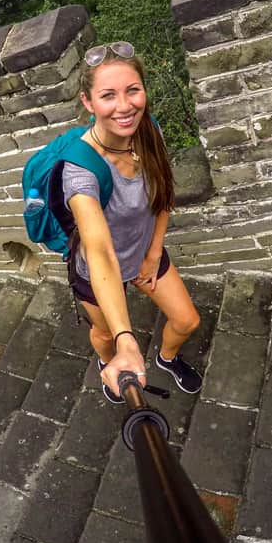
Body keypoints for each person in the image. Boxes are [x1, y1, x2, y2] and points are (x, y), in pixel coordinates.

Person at [63, 41, 203, 403]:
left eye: (133, 90)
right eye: (108, 95)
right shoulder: (80, 170)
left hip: (144, 253)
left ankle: (166, 358)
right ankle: (111, 366)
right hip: (97, 271)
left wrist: (154, 251)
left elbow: (164, 193)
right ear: (88, 103)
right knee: (105, 333)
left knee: (187, 320)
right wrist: (127, 340)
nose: (125, 106)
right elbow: (99, 250)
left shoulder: (147, 130)